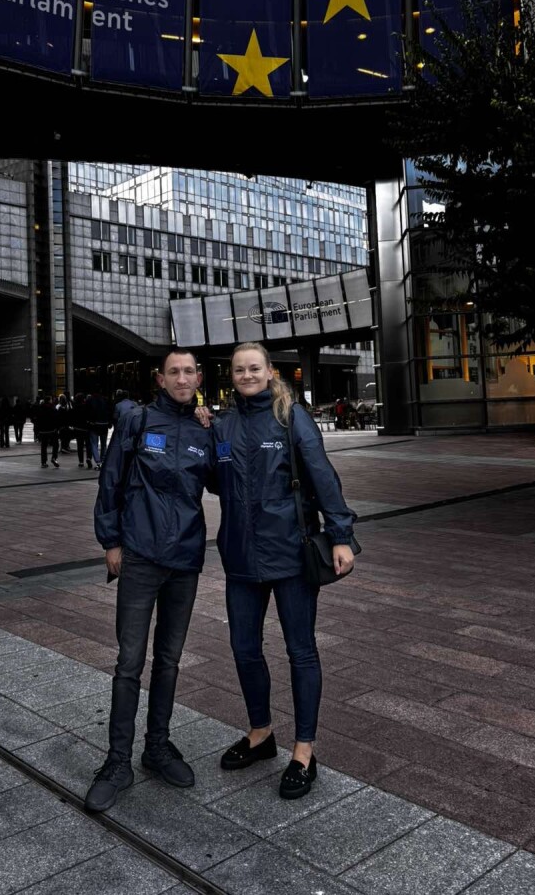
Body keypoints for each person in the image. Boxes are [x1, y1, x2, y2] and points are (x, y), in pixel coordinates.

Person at [212, 342, 358, 801]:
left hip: (291, 555)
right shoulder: (222, 423)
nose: (248, 375)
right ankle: (261, 734)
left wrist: (340, 535)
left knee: (301, 651)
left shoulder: (291, 416)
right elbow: (213, 477)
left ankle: (303, 750)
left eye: (255, 367)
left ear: (270, 371)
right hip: (239, 555)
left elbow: (322, 475)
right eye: (240, 369)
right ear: (231, 375)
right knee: (243, 648)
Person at [84, 349, 216, 813]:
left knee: (169, 660)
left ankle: (156, 747)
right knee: (129, 661)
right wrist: (111, 541)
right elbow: (111, 480)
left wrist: (214, 429)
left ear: (199, 378)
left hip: (185, 558)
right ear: (160, 379)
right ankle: (117, 761)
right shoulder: (138, 422)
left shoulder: (204, 430)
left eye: (189, 372)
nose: (182, 378)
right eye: (173, 372)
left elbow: (222, 481)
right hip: (139, 555)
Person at [86, 389, 111, 467]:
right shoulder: (105, 400)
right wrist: (109, 422)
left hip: (94, 425)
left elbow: (87, 412)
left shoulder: (90, 400)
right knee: (103, 444)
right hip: (104, 424)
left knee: (94, 444)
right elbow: (110, 411)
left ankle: (98, 461)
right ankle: (102, 459)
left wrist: (89, 422)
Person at [36, 395, 60, 468]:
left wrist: (38, 430)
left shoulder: (40, 408)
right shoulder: (53, 408)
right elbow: (56, 419)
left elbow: (37, 420)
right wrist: (57, 428)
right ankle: (54, 457)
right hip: (52, 430)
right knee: (56, 444)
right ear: (49, 400)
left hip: (43, 431)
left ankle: (43, 462)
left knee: (44, 446)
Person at [71, 392, 93, 469]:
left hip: (77, 428)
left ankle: (81, 462)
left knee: (79, 446)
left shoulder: (75, 407)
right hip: (86, 428)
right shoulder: (86, 407)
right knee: (88, 445)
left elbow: (72, 418)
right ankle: (89, 458)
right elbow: (90, 416)